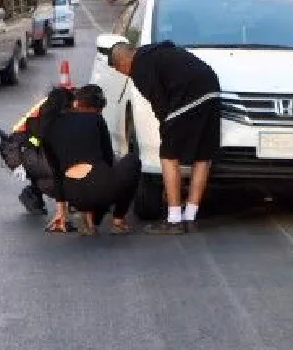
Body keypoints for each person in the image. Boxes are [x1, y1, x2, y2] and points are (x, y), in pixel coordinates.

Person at [107, 41, 221, 234]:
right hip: (212, 88)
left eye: (121, 71)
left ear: (122, 63)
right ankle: (190, 218)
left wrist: (166, 133)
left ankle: (174, 220)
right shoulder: (158, 52)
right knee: (202, 156)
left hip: (188, 93)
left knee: (168, 156)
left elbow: (160, 104)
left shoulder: (140, 67)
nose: (125, 75)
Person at [41, 84, 141, 236]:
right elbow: (108, 159)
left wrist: (61, 211)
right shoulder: (95, 118)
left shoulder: (47, 130)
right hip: (99, 186)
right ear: (74, 103)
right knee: (132, 161)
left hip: (73, 195)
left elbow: (56, 173)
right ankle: (118, 221)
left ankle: (88, 216)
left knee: (86, 178)